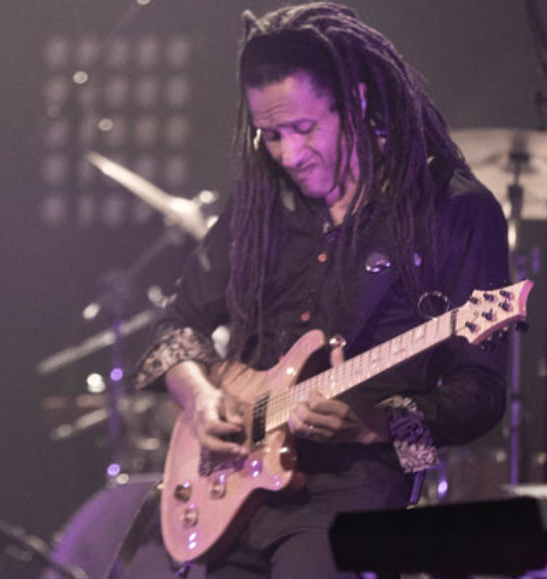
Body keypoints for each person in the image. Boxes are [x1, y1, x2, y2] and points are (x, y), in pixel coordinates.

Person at [132, 3, 509, 577]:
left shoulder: (451, 209)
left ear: (356, 100)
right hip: (233, 489)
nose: (288, 154)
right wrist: (201, 399)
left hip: (355, 492)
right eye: (270, 135)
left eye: (304, 129)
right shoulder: (263, 202)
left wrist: (378, 423)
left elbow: (482, 391)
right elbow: (176, 326)